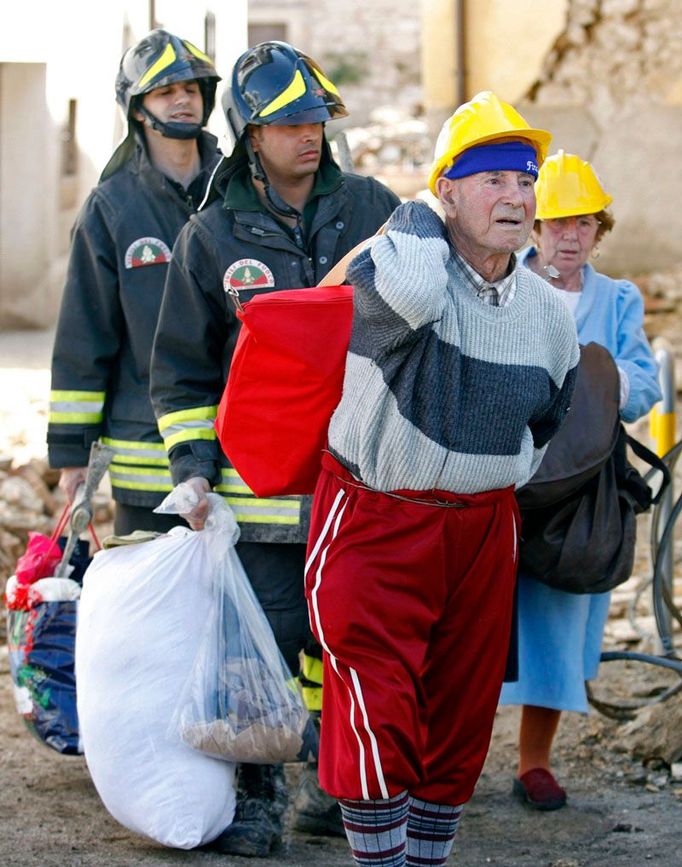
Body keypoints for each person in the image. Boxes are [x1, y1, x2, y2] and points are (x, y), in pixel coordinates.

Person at [303, 91, 580, 867]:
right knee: (376, 706)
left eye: (525, 181)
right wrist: (419, 214)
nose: (516, 197)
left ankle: (426, 861)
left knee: (458, 714)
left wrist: (487, 467)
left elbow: (547, 419)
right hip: (377, 516)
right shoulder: (394, 263)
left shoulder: (550, 315)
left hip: (482, 526)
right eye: (490, 178)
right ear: (447, 189)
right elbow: (418, 298)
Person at [150, 40, 400, 857]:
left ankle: (334, 785)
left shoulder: (373, 210)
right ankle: (258, 793)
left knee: (345, 640)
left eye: (317, 118)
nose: (309, 134)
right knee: (260, 646)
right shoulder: (212, 237)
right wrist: (193, 474)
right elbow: (182, 374)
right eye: (289, 121)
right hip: (259, 498)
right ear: (252, 134)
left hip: (356, 483)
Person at [500, 150, 661, 810]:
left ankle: (534, 761)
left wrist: (596, 376)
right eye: (558, 221)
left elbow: (642, 386)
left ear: (600, 231)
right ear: (536, 225)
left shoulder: (618, 299)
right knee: (478, 620)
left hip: (579, 488)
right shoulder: (503, 284)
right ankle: (443, 756)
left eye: (585, 223)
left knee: (558, 622)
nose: (570, 236)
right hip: (500, 479)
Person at [47, 30, 221, 535]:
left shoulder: (235, 193)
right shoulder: (112, 209)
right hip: (145, 459)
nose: (184, 99)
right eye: (167, 91)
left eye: (192, 88)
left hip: (230, 457)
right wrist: (72, 453)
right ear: (137, 109)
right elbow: (84, 334)